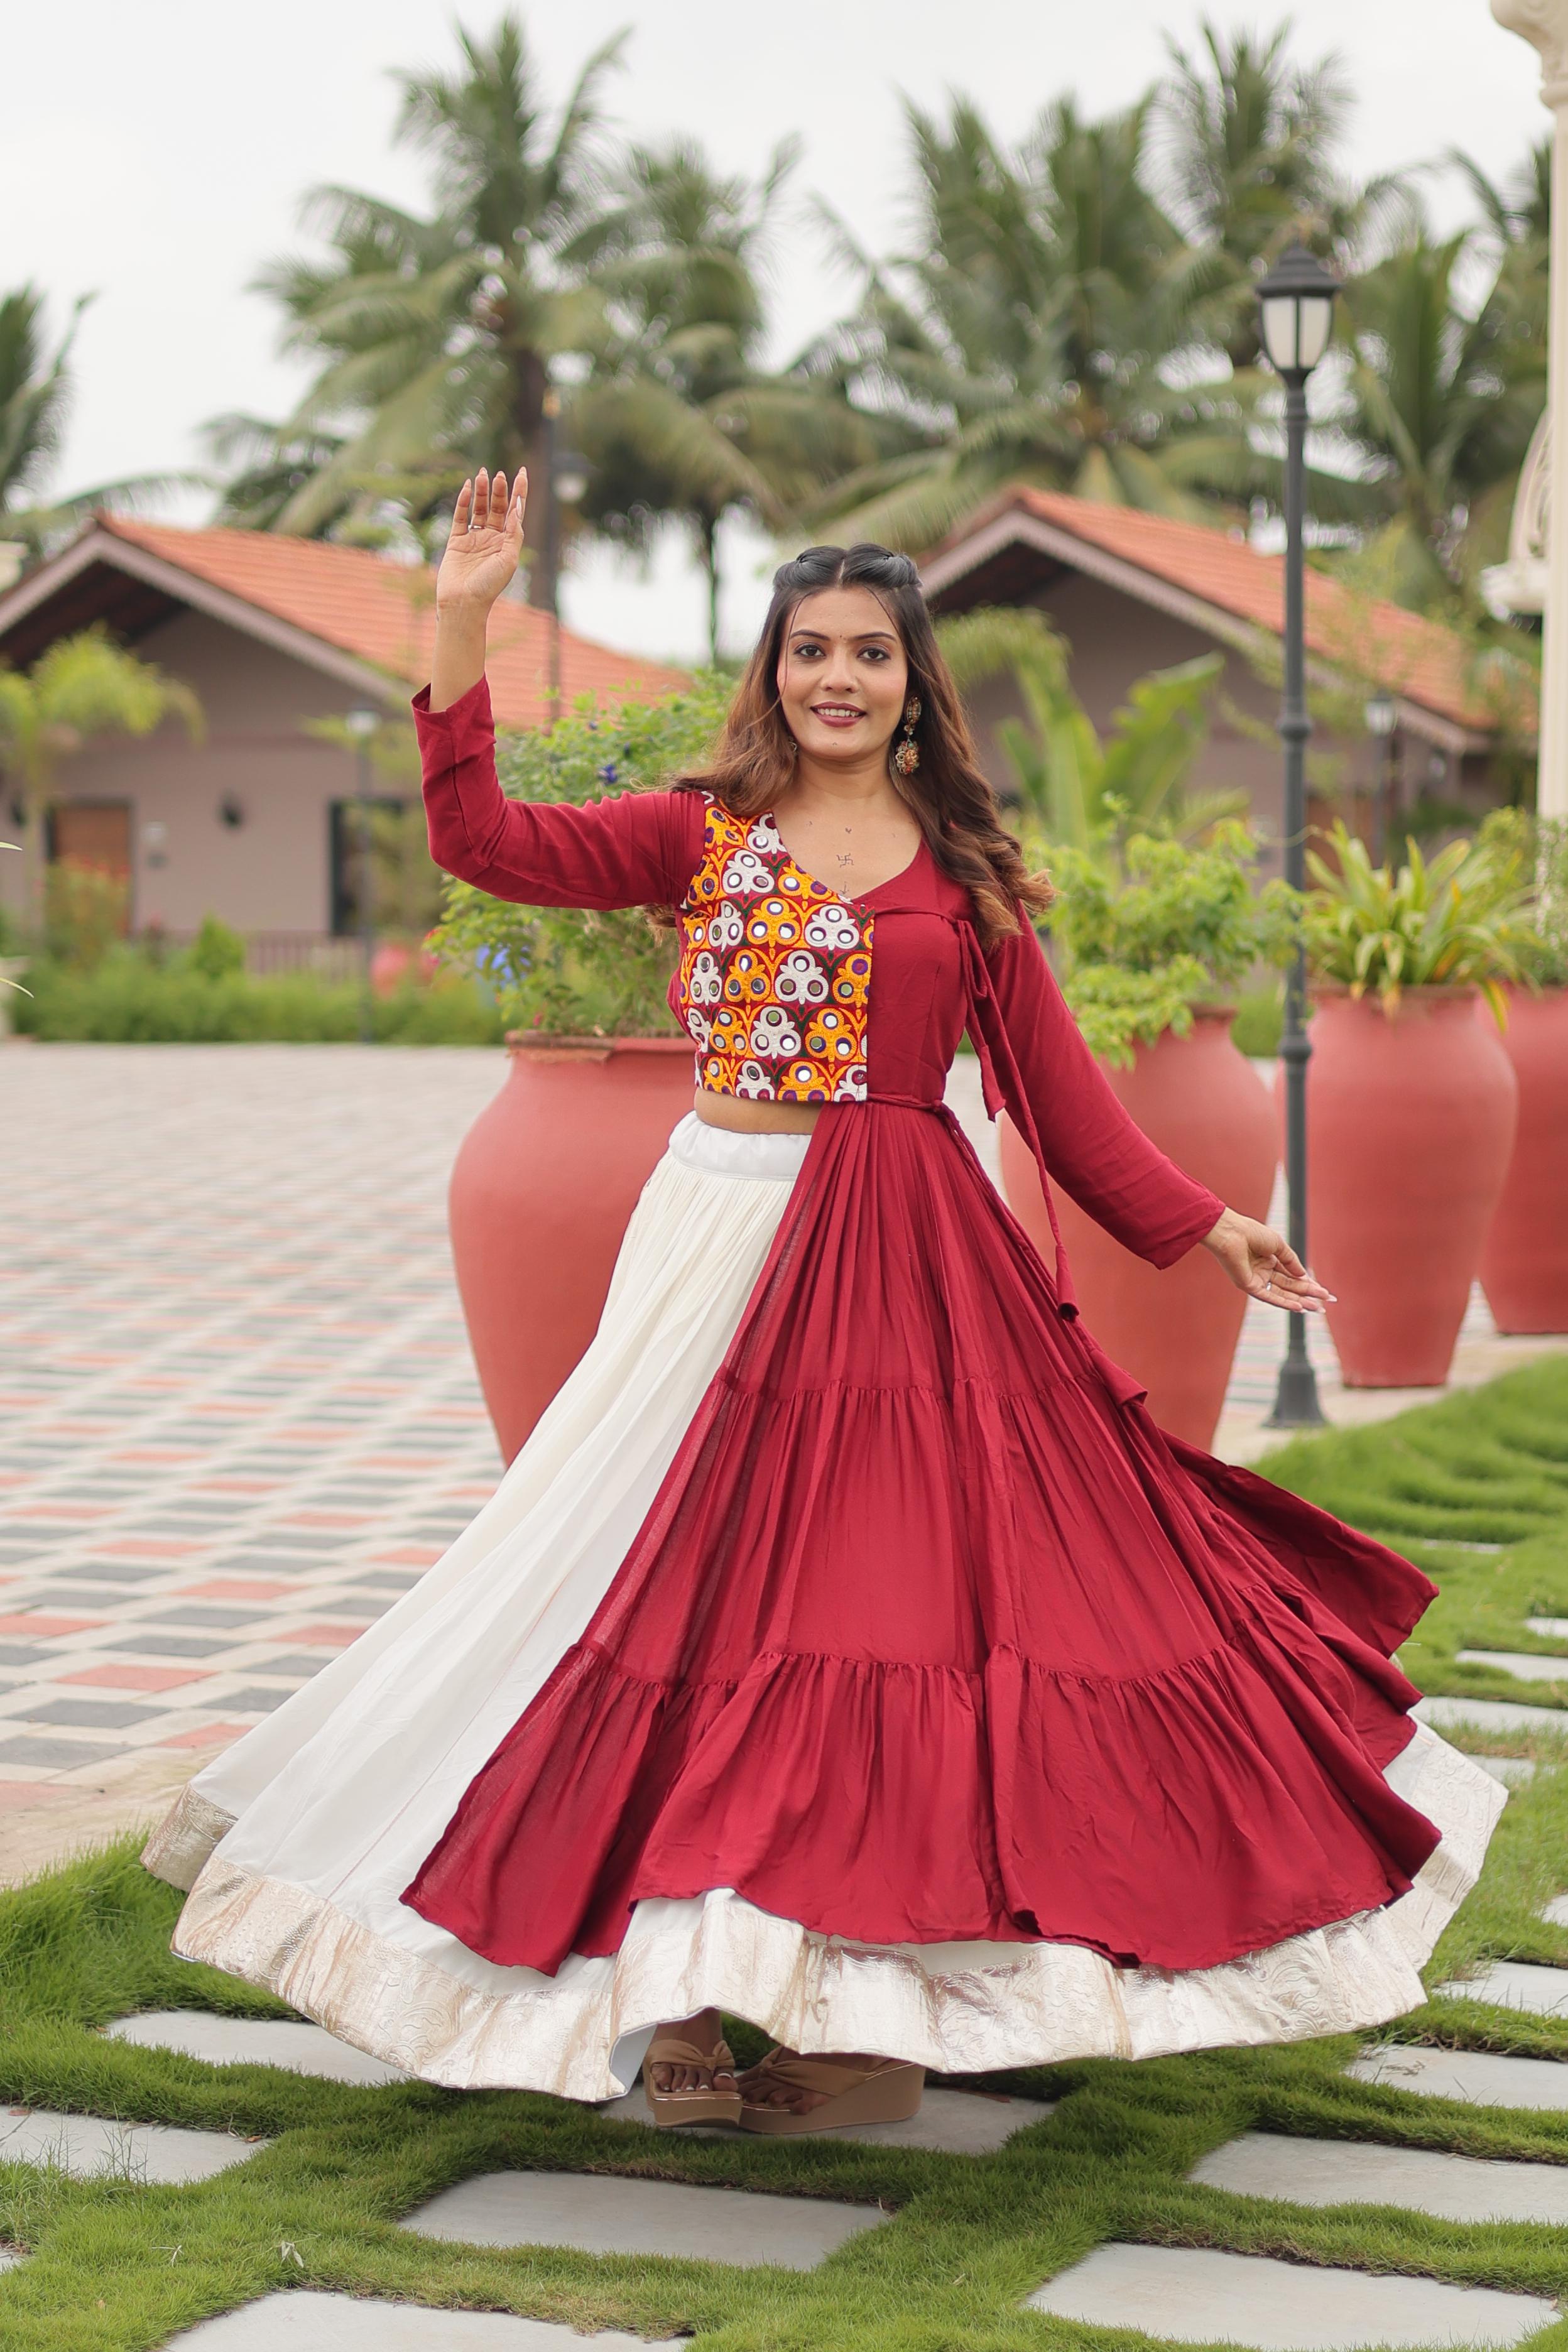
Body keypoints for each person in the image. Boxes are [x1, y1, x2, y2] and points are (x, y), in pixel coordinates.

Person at [144, 467, 1503, 2136]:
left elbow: (1060, 1102)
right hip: (719, 1241)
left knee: (881, 1627)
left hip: (913, 1272)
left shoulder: (965, 870)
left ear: (914, 683)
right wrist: (459, 621)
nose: (839, 678)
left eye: (870, 651)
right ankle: (680, 1993)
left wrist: (1208, 1225)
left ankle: (857, 2005)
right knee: (664, 1598)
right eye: (810, 650)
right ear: (772, 672)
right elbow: (477, 842)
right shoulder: (695, 829)